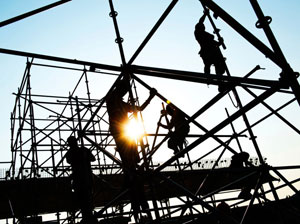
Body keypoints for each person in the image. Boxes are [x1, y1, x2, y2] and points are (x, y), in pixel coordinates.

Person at [106, 76, 156, 222]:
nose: (125, 94)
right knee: (131, 165)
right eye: (124, 91)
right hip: (120, 134)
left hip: (125, 134)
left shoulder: (120, 103)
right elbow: (115, 92)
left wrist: (150, 97)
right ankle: (133, 191)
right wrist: (126, 78)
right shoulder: (112, 99)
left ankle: (131, 189)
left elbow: (138, 109)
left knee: (132, 165)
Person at [65, 136, 97, 224]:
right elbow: (92, 158)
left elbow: (92, 158)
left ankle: (88, 217)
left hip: (82, 179)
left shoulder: (74, 152)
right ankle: (88, 217)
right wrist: (84, 156)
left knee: (85, 200)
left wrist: (84, 155)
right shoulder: (80, 151)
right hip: (83, 178)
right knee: (86, 200)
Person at [194, 10, 226, 92]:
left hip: (213, 51)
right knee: (208, 65)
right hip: (207, 52)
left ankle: (220, 84)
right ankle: (208, 78)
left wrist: (220, 42)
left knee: (217, 67)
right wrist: (204, 14)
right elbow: (200, 21)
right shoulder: (198, 33)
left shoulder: (206, 35)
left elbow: (215, 44)